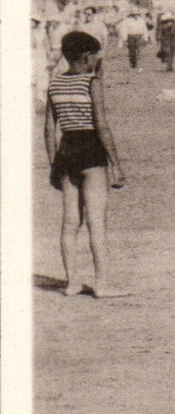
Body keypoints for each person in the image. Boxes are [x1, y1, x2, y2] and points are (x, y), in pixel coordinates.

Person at [45, 31, 126, 297]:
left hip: (66, 152)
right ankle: (101, 284)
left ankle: (72, 283)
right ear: (86, 56)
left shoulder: (54, 84)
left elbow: (48, 129)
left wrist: (53, 163)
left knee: (70, 222)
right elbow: (101, 124)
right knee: (96, 221)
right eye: (95, 56)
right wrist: (115, 162)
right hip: (91, 150)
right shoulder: (92, 82)